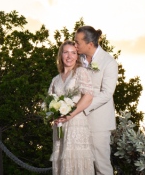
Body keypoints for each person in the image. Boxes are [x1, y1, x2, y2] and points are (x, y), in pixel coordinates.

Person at [74, 26, 118, 175]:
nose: (75, 45)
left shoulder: (109, 62)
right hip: (77, 121)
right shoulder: (77, 59)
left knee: (102, 166)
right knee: (82, 166)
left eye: (77, 42)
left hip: (99, 122)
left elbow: (106, 93)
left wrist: (80, 107)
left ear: (90, 44)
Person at [48, 40, 94, 174]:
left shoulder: (80, 72)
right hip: (60, 126)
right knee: (62, 162)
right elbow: (48, 102)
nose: (69, 56)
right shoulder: (55, 79)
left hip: (76, 124)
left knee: (75, 160)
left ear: (77, 55)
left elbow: (88, 96)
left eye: (73, 53)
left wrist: (69, 115)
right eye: (66, 52)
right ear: (61, 55)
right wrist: (53, 115)